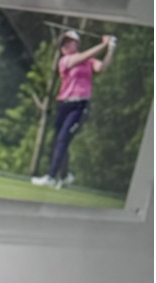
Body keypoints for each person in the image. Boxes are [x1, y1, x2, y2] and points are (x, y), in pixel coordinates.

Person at [32, 29, 116, 189]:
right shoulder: (65, 60)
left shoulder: (89, 60)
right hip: (63, 104)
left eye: (68, 42)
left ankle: (51, 177)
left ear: (76, 44)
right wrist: (103, 44)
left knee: (63, 139)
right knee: (58, 141)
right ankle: (64, 176)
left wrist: (110, 49)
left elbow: (101, 67)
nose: (64, 46)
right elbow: (82, 57)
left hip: (79, 106)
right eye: (63, 43)